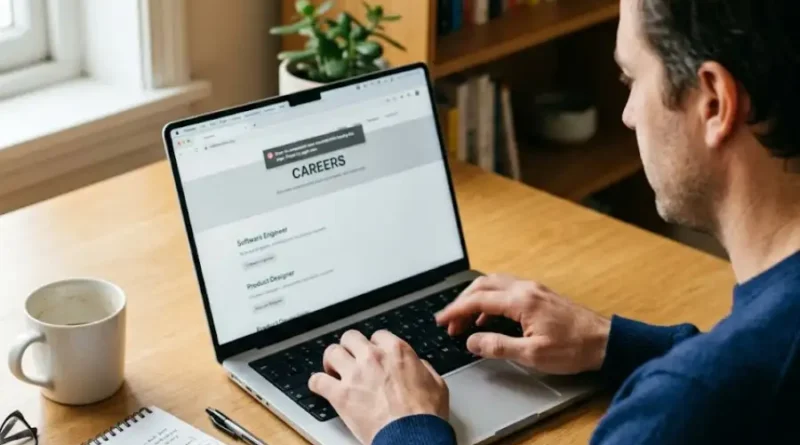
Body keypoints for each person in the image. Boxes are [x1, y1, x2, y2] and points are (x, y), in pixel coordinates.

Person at [307, 0, 800, 443]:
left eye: (631, 79)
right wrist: (613, 344)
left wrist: (406, 428)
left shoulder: (677, 410)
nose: (627, 115)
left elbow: (724, 387)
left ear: (714, 102)